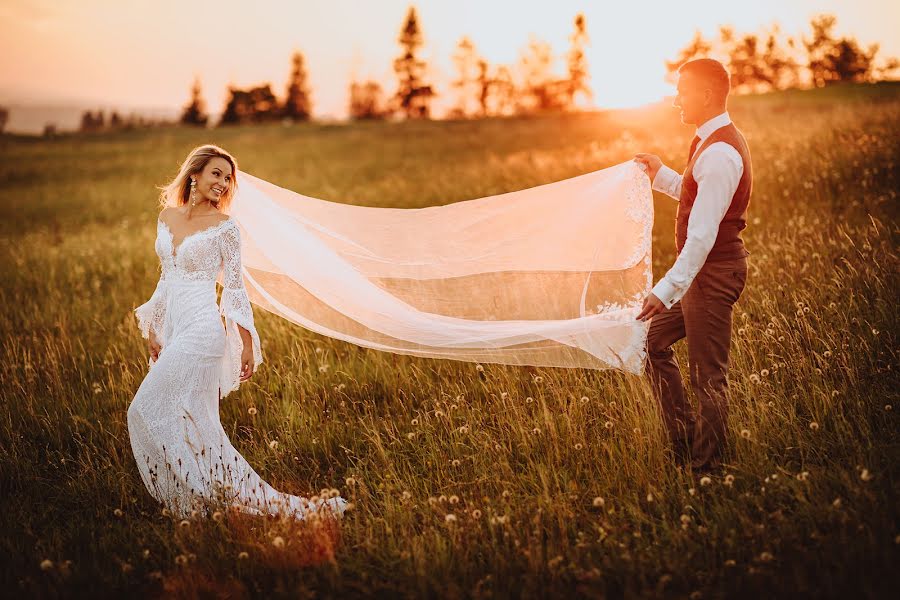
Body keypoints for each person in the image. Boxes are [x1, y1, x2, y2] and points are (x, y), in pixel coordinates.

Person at [127, 144, 347, 519]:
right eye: (217, 173)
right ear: (194, 173)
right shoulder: (167, 217)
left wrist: (246, 343)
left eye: (228, 178)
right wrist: (154, 325)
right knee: (197, 423)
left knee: (143, 409)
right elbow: (167, 274)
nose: (223, 183)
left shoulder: (226, 228)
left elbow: (234, 287)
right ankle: (209, 501)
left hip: (202, 332)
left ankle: (204, 497)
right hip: (176, 328)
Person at [633, 58, 752, 475]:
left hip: (713, 275)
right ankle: (684, 440)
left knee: (708, 377)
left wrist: (664, 290)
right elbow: (696, 195)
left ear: (704, 94)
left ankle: (707, 471)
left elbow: (702, 236)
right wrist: (660, 174)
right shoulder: (709, 143)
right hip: (701, 275)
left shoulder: (720, 151)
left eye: (682, 90)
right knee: (649, 343)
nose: (675, 98)